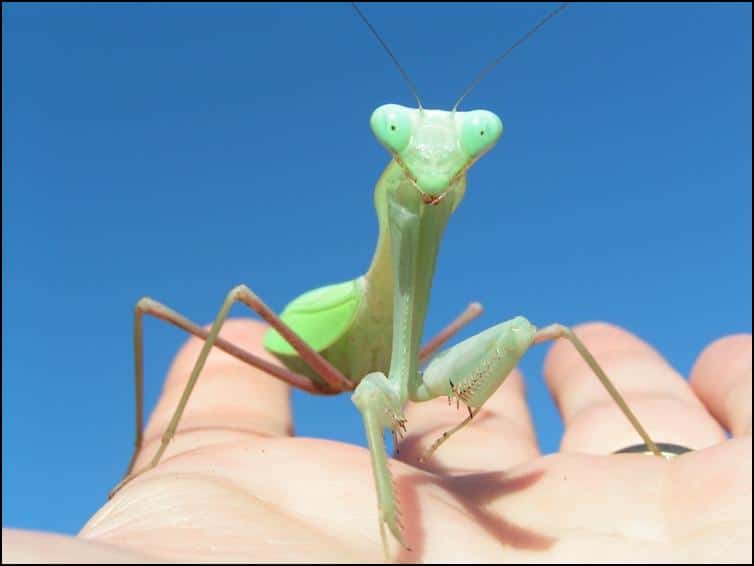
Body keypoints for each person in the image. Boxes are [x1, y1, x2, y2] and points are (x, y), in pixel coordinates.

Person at [3, 320, 751, 563]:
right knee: (195, 311)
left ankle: (650, 444)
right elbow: (375, 386)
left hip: (384, 375)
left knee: (528, 329)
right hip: (316, 354)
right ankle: (146, 459)